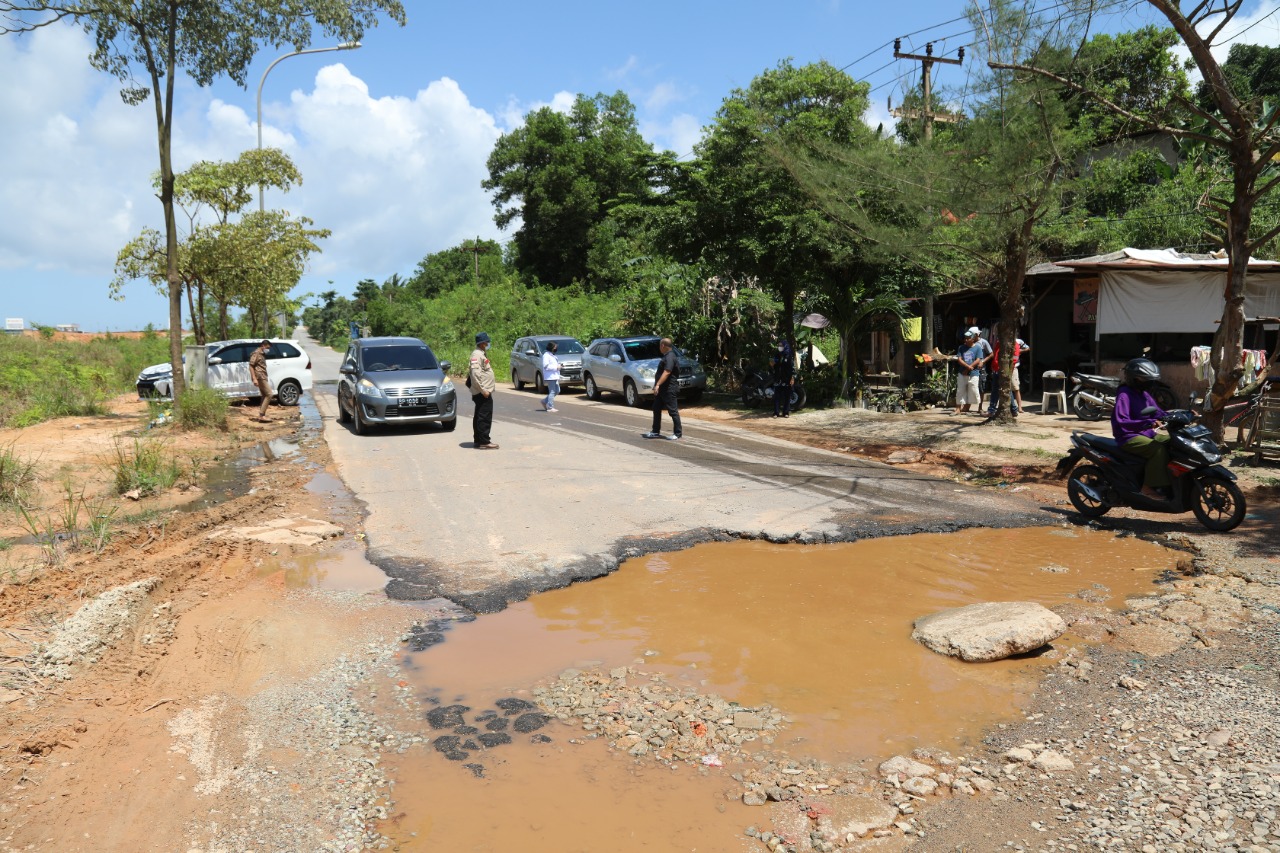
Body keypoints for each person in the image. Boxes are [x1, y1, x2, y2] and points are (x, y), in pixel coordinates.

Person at [1111, 357, 1171, 500]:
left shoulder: (1144, 394)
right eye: (1146, 380)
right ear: (1135, 379)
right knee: (1158, 449)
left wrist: (1182, 414)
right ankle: (1147, 487)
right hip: (1128, 436)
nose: (1150, 383)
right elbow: (1122, 421)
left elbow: (1158, 412)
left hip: (1147, 433)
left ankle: (1167, 483)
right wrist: (1148, 423)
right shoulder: (1124, 395)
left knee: (1172, 442)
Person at [643, 337, 682, 441]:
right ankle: (655, 431)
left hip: (669, 389)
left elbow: (667, 371)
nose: (660, 348)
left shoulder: (670, 357)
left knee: (673, 411)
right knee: (656, 408)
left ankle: (677, 433)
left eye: (660, 346)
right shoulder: (667, 356)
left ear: (663, 346)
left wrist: (658, 384)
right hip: (662, 389)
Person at [987, 334, 1029, 417]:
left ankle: (993, 410)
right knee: (1004, 389)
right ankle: (1013, 409)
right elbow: (995, 355)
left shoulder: (1014, 344)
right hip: (997, 369)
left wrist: (1008, 370)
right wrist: (993, 366)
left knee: (1005, 389)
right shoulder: (1000, 343)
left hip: (1006, 370)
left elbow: (1014, 358)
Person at [469, 332, 498, 449]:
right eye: (487, 342)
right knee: (484, 416)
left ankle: (478, 440)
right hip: (483, 392)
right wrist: (483, 390)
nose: (488, 344)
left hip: (483, 391)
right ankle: (484, 441)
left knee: (479, 415)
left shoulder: (481, 354)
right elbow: (475, 375)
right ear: (482, 344)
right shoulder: (476, 355)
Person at [953, 327, 991, 415]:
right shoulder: (961, 347)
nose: (966, 340)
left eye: (968, 338)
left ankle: (977, 408)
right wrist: (967, 367)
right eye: (965, 338)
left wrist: (970, 367)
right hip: (962, 372)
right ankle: (958, 408)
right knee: (960, 390)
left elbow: (978, 359)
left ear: (973, 338)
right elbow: (959, 359)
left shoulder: (978, 347)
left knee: (974, 389)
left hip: (974, 373)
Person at [249, 339, 273, 422]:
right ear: (263, 346)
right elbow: (251, 366)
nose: (268, 349)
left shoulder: (262, 354)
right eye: (267, 347)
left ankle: (262, 415)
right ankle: (261, 415)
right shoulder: (257, 353)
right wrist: (254, 378)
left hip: (263, 375)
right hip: (260, 376)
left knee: (264, 395)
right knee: (269, 394)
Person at [771, 339, 795, 418]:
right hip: (778, 378)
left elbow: (792, 367)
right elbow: (774, 365)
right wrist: (772, 364)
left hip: (787, 378)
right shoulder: (777, 355)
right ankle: (776, 412)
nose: (779, 347)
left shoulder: (789, 356)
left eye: (781, 345)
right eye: (779, 345)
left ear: (785, 346)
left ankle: (786, 412)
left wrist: (792, 377)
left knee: (787, 396)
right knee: (776, 396)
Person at [541, 341, 561, 412]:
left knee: (557, 391)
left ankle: (544, 401)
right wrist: (556, 367)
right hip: (550, 376)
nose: (556, 348)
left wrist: (559, 366)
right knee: (552, 391)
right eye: (555, 347)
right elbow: (546, 366)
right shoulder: (546, 355)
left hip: (555, 376)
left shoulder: (552, 355)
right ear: (551, 347)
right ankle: (550, 407)